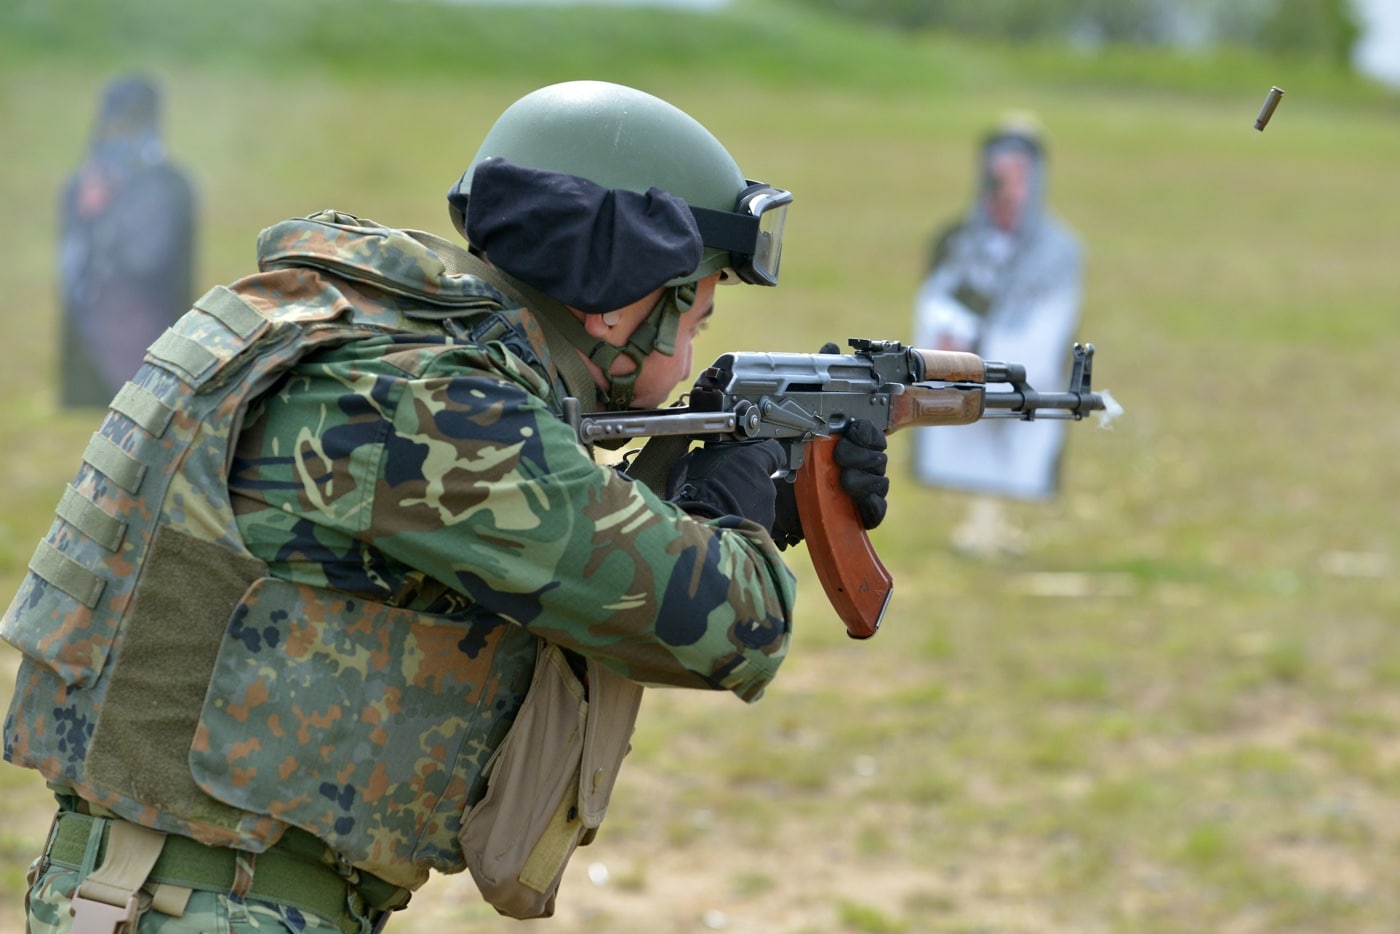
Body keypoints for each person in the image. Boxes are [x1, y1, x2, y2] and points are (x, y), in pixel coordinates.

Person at [3, 80, 888, 932]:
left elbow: (552, 543)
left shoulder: (352, 333)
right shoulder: (426, 408)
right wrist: (729, 500)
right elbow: (733, 626)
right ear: (623, 302)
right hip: (211, 905)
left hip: (175, 890)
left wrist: (721, 498)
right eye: (698, 305)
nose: (699, 335)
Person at [910, 114, 1083, 557]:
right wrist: (951, 340)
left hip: (1016, 365)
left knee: (1012, 433)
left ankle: (995, 522)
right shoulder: (960, 241)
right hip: (963, 369)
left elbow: (1049, 322)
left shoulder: (1056, 252)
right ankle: (979, 523)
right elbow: (941, 300)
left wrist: (998, 352)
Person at [57, 73, 197, 408]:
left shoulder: (168, 185)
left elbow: (147, 258)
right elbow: (73, 267)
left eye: (129, 125)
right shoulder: (86, 182)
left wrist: (112, 211)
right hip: (98, 326)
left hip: (141, 322)